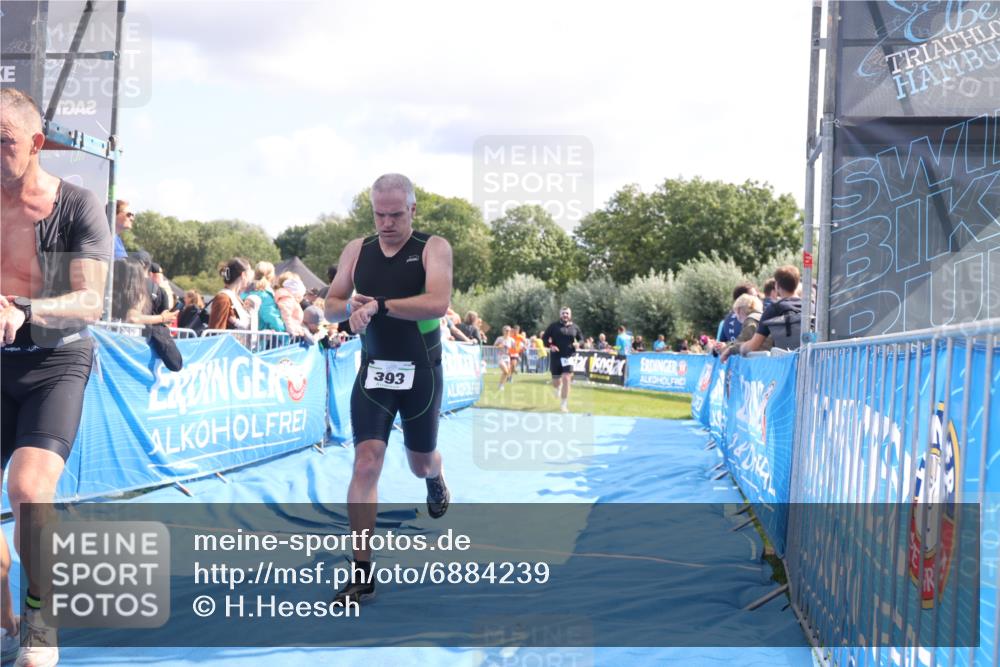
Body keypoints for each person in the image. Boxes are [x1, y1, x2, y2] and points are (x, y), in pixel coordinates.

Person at [1, 88, 112, 667]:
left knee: (27, 492)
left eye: (4, 141)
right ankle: (5, 607)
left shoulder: (77, 205)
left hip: (54, 361)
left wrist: (22, 306)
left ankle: (40, 627)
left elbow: (91, 299)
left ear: (36, 144)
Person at [323, 173, 453, 606]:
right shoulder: (357, 250)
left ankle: (436, 477)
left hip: (422, 372)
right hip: (375, 371)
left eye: (396, 214)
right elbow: (331, 304)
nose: (387, 223)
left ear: (413, 210)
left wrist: (379, 306)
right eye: (379, 214)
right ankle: (361, 571)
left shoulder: (433, 248)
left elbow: (437, 302)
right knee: (365, 463)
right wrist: (351, 309)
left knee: (420, 463)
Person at [741, 265, 803, 354]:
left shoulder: (774, 309)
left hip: (784, 363)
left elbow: (753, 345)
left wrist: (740, 348)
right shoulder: (811, 307)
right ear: (797, 284)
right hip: (813, 363)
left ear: (777, 286)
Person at [111, 258, 173, 326]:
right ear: (137, 277)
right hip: (126, 335)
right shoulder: (137, 294)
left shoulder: (109, 292)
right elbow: (133, 318)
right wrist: (162, 318)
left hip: (104, 334)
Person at [543, 307, 582, 413]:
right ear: (560, 315)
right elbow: (545, 338)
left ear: (570, 315)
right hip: (556, 356)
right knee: (556, 381)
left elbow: (581, 339)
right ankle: (557, 388)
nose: (565, 315)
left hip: (568, 357)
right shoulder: (553, 326)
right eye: (563, 313)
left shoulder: (575, 327)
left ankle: (564, 404)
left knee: (566, 379)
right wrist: (551, 345)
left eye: (567, 313)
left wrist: (578, 343)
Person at [208, 257, 253, 330]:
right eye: (250, 273)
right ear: (243, 275)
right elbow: (216, 330)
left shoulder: (236, 297)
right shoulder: (223, 298)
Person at [720, 293, 768, 362]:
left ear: (738, 310)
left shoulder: (751, 319)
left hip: (760, 361)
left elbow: (741, 341)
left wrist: (725, 348)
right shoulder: (762, 317)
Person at [243, 261, 286, 332]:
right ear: (272, 277)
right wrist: (287, 338)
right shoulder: (265, 296)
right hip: (257, 341)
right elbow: (274, 320)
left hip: (240, 338)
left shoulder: (243, 292)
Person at [274, 273, 310, 338]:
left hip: (288, 333)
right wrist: (291, 329)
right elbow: (286, 314)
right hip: (284, 335)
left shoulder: (290, 298)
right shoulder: (286, 298)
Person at [494, 325, 517, 390]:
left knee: (506, 373)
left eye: (509, 331)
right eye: (506, 330)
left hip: (507, 357)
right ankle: (500, 385)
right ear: (503, 331)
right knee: (506, 371)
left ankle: (501, 385)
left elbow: (514, 348)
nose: (508, 332)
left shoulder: (511, 340)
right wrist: (499, 346)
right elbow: (494, 346)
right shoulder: (499, 338)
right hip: (500, 356)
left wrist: (515, 346)